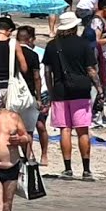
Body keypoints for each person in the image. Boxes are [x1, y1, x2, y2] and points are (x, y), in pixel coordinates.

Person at [42, 12, 97, 179]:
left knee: (64, 129)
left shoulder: (52, 45)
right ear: (74, 26)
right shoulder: (84, 44)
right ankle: (86, 169)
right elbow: (91, 70)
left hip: (60, 90)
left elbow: (47, 72)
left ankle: (68, 168)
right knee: (82, 130)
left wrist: (51, 90)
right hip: (81, 90)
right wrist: (100, 88)